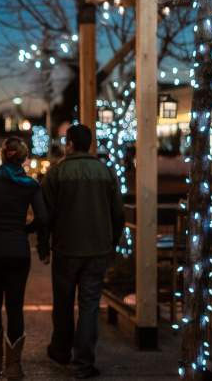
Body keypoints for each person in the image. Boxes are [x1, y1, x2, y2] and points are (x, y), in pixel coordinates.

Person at [40, 124, 123, 379]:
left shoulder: (57, 173)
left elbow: (45, 215)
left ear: (70, 143)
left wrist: (43, 245)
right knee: (89, 305)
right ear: (89, 144)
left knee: (63, 302)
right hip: (97, 249)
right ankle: (83, 362)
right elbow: (118, 213)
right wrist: (112, 242)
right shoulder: (105, 172)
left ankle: (61, 350)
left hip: (66, 248)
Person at [0, 137, 49, 379]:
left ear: (2, 156)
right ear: (24, 158)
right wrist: (24, 230)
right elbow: (43, 218)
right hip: (18, 249)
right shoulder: (30, 184)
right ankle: (13, 366)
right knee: (15, 306)